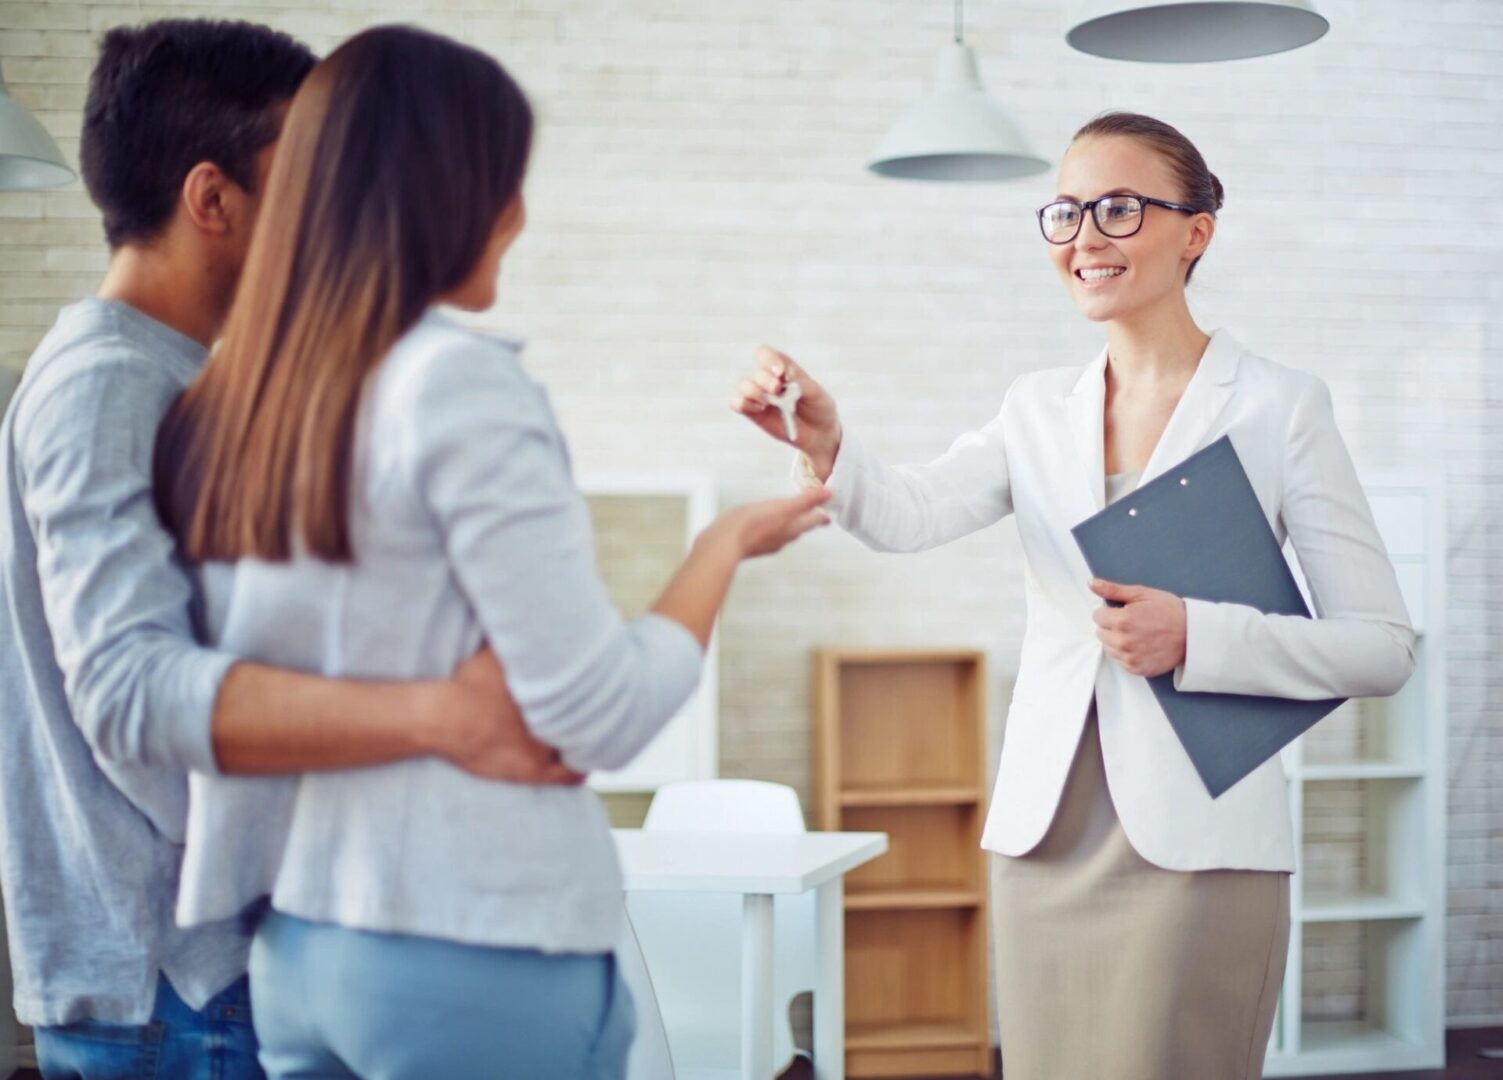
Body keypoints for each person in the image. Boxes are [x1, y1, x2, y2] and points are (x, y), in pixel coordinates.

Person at [152, 25, 830, 1080]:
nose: (518, 215)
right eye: (507, 181)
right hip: (471, 949)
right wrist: (723, 547)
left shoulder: (227, 404)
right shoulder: (455, 386)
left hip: (296, 953)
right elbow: (596, 714)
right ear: (451, 191)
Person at [733, 111, 1415, 1079]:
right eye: (1065, 212)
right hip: (1044, 839)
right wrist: (828, 445)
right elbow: (910, 515)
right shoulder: (1035, 409)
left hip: (1201, 849)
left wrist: (1199, 636)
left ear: (1197, 231)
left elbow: (1383, 646)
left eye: (1120, 208)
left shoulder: (1279, 407)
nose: (1085, 237)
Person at [0, 20, 570, 1080]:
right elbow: (131, 697)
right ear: (212, 200)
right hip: (181, 981)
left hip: (195, 976)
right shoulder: (109, 385)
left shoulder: (174, 377)